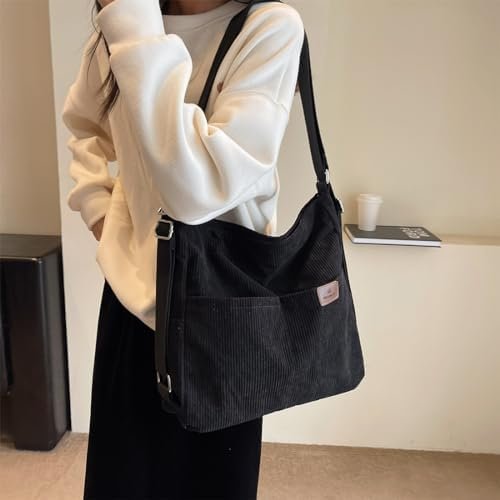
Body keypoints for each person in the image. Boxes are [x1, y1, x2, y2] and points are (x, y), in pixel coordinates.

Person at [61, 0, 304, 497]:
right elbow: (86, 126)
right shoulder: (122, 24)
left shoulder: (270, 27)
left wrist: (135, 24)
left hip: (226, 312)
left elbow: (197, 191)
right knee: (123, 481)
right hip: (133, 303)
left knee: (211, 484)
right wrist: (98, 208)